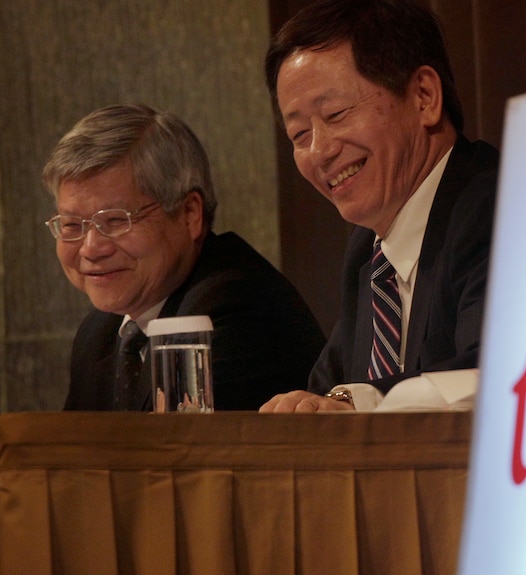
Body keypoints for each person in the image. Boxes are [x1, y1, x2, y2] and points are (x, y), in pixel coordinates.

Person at [259, 0, 499, 413]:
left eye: (335, 114)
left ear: (424, 97)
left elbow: (492, 376)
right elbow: (327, 394)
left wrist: (357, 404)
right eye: (299, 134)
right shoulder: (368, 255)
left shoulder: (499, 206)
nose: (319, 153)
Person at [43, 103, 326, 411]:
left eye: (115, 221)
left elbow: (166, 455)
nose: (90, 248)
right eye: (72, 225)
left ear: (189, 213)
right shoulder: (100, 332)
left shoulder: (234, 311)